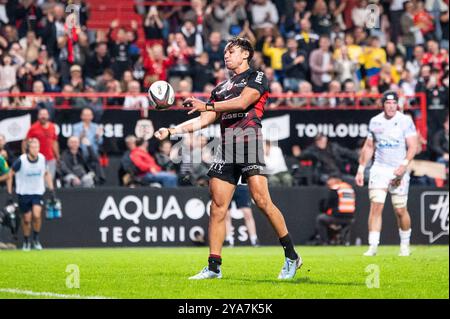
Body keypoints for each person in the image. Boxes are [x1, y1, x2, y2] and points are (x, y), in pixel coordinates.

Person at [155, 37, 302, 280]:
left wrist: (208, 106)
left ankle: (291, 256)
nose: (226, 55)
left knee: (261, 200)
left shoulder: (257, 77)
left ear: (245, 54)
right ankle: (214, 267)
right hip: (226, 148)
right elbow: (203, 120)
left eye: (231, 51)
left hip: (249, 141)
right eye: (225, 52)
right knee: (217, 207)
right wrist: (172, 131)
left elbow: (244, 102)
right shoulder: (219, 89)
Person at [355, 91, 418, 257]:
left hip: (398, 170)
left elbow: (413, 146)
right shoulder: (375, 121)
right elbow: (369, 146)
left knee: (400, 210)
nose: (391, 106)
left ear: (397, 104)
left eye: (394, 103)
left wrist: (404, 165)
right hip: (379, 169)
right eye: (388, 103)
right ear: (382, 104)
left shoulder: (405, 121)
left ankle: (405, 245)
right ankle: (373, 246)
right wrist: (361, 169)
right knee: (376, 206)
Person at [6, 138, 56, 251]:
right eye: (33, 147)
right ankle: (26, 240)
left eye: (37, 147)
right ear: (28, 149)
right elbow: (10, 175)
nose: (35, 149)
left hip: (37, 192)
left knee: (37, 215)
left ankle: (36, 239)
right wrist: (10, 193)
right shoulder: (21, 161)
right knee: (27, 219)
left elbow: (47, 174)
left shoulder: (42, 159)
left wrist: (52, 190)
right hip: (24, 193)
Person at [315, 175, 356, 245]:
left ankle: (324, 242)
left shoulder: (335, 188)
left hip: (337, 217)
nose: (328, 182)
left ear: (335, 180)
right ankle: (345, 241)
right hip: (350, 218)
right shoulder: (349, 188)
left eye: (329, 180)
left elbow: (328, 204)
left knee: (320, 219)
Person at [24, 108, 59, 180]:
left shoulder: (52, 127)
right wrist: (26, 156)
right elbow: (25, 142)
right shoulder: (33, 128)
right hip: (38, 159)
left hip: (50, 159)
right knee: (39, 180)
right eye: (41, 115)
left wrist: (57, 156)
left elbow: (54, 142)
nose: (43, 116)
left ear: (48, 116)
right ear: (38, 116)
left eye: (45, 115)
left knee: (49, 180)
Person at [225, 182, 259, 247]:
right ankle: (229, 239)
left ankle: (254, 239)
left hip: (241, 185)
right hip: (226, 184)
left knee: (247, 213)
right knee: (226, 215)